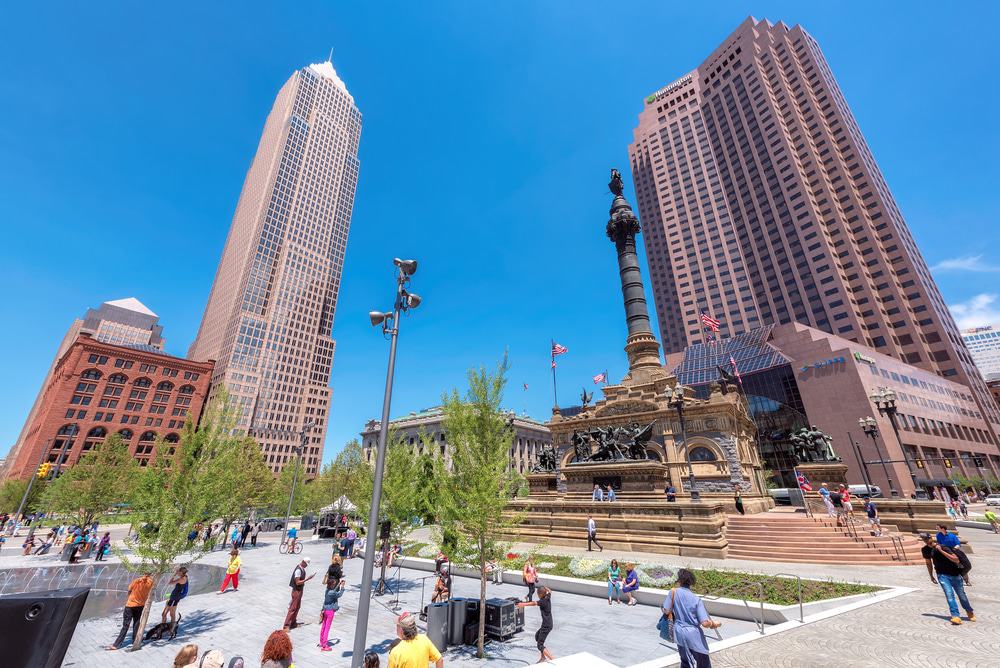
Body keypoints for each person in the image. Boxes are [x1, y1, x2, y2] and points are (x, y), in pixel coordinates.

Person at [662, 568, 721, 668]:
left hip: (679, 632)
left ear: (679, 580)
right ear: (691, 583)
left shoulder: (673, 592)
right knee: (704, 663)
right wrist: (714, 623)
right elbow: (705, 623)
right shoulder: (696, 600)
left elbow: (666, 610)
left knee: (685, 661)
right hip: (693, 635)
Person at [920, 533, 974, 625]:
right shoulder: (925, 550)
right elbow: (928, 563)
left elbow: (956, 559)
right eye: (924, 539)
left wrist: (941, 551)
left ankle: (969, 610)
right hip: (942, 575)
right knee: (949, 595)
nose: (926, 540)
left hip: (955, 574)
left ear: (931, 538)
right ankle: (955, 616)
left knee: (961, 595)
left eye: (927, 538)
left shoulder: (943, 547)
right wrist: (931, 575)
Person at [107, 571, 155, 650]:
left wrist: (130, 598)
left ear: (143, 573)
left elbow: (129, 590)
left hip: (130, 605)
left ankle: (116, 644)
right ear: (151, 574)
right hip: (140, 605)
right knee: (136, 622)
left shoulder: (137, 581)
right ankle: (135, 640)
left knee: (126, 625)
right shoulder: (151, 582)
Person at [516, 586, 554, 663]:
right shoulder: (547, 597)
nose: (537, 595)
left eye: (538, 594)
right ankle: (543, 657)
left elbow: (534, 603)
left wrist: (523, 604)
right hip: (548, 624)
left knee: (540, 645)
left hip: (546, 625)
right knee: (537, 636)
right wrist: (545, 588)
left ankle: (553, 659)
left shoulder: (543, 601)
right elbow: (550, 591)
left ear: (540, 594)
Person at [284, 557, 313, 630]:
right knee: (293, 608)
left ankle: (293, 623)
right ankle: (286, 625)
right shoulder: (298, 570)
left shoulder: (302, 569)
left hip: (299, 590)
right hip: (296, 591)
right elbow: (297, 582)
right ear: (303, 562)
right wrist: (307, 579)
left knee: (297, 607)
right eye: (306, 564)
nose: (306, 566)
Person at [319, 576, 345, 651]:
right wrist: (342, 587)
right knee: (327, 628)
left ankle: (321, 642)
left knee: (323, 627)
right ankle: (324, 645)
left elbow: (333, 590)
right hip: (330, 612)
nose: (334, 585)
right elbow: (339, 594)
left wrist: (339, 584)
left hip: (325, 610)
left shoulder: (327, 590)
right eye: (334, 584)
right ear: (331, 585)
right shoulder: (332, 593)